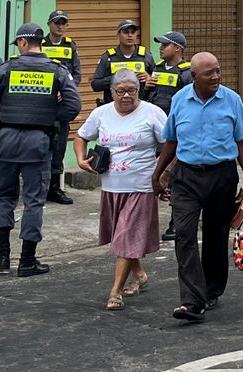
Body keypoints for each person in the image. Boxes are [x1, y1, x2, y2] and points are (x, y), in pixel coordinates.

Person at [152, 52, 243, 323]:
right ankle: (191, 301)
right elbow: (171, 141)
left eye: (218, 71)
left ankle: (211, 289)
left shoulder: (231, 100)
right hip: (186, 177)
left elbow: (242, 144)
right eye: (209, 73)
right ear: (194, 77)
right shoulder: (180, 100)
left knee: (215, 235)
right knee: (183, 235)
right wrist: (158, 173)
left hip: (221, 176)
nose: (216, 77)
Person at [0, 22, 81, 277]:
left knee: (3, 197)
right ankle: (27, 261)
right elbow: (73, 104)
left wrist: (4, 118)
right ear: (40, 42)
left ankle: (2, 257)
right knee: (34, 200)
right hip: (38, 141)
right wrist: (51, 118)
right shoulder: (56, 71)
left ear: (23, 43)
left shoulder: (6, 68)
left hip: (6, 139)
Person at [75, 70, 168, 311]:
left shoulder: (152, 113)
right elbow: (81, 136)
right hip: (112, 187)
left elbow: (171, 142)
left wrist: (163, 174)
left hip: (141, 186)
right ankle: (139, 275)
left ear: (139, 90)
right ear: (112, 91)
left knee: (126, 236)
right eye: (121, 91)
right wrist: (80, 159)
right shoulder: (101, 113)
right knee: (122, 236)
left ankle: (115, 292)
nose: (127, 96)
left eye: (132, 90)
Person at [154, 30, 193, 242]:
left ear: (177, 48)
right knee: (160, 176)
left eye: (165, 45)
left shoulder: (186, 73)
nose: (160, 49)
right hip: (158, 133)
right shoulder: (157, 69)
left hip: (176, 134)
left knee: (176, 179)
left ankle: (176, 223)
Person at [41, 9, 81, 206]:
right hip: (42, 104)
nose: (60, 26)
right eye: (57, 22)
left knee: (59, 148)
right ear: (49, 24)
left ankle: (55, 189)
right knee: (39, 145)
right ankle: (39, 186)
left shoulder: (70, 46)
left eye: (64, 23)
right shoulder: (40, 44)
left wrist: (65, 91)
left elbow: (76, 74)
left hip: (61, 106)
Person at [92, 20, 157, 106]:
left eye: (133, 32)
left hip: (140, 107)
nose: (130, 35)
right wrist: (119, 78)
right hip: (115, 108)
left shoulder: (146, 56)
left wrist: (149, 79)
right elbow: (95, 85)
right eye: (126, 32)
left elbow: (157, 83)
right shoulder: (108, 57)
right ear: (118, 34)